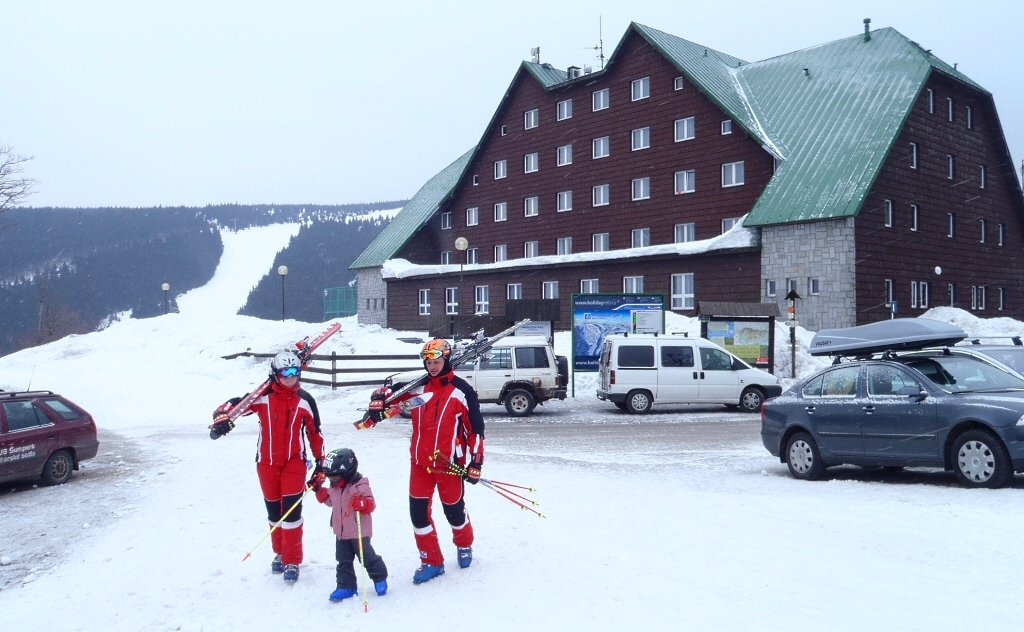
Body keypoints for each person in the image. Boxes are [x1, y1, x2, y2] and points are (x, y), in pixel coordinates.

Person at [359, 337, 484, 585]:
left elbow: (476, 430)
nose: (433, 366)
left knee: (454, 512)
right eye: (428, 362)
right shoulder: (417, 388)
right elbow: (388, 401)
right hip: (420, 464)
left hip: (449, 465)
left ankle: (464, 544)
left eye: (437, 361)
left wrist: (476, 463)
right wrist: (377, 399)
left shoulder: (462, 391)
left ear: (446, 360)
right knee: (418, 515)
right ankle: (432, 561)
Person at [211, 349, 325, 583]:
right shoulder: (261, 397)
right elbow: (236, 405)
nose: (291, 378)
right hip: (267, 464)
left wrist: (321, 464)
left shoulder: (305, 399)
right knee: (274, 513)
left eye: (295, 372)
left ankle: (292, 559)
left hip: (294, 462)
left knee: (291, 513)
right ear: (275, 374)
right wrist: (221, 415)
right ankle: (280, 554)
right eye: (285, 373)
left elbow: (315, 434)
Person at [313, 447, 388, 602]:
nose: (332, 481)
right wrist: (318, 490)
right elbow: (330, 500)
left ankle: (379, 577)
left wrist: (363, 503)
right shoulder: (334, 487)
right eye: (330, 478)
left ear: (347, 472)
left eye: (335, 478)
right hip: (341, 532)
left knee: (366, 557)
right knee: (343, 561)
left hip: (359, 531)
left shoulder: (360, 485)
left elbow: (371, 504)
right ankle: (346, 586)